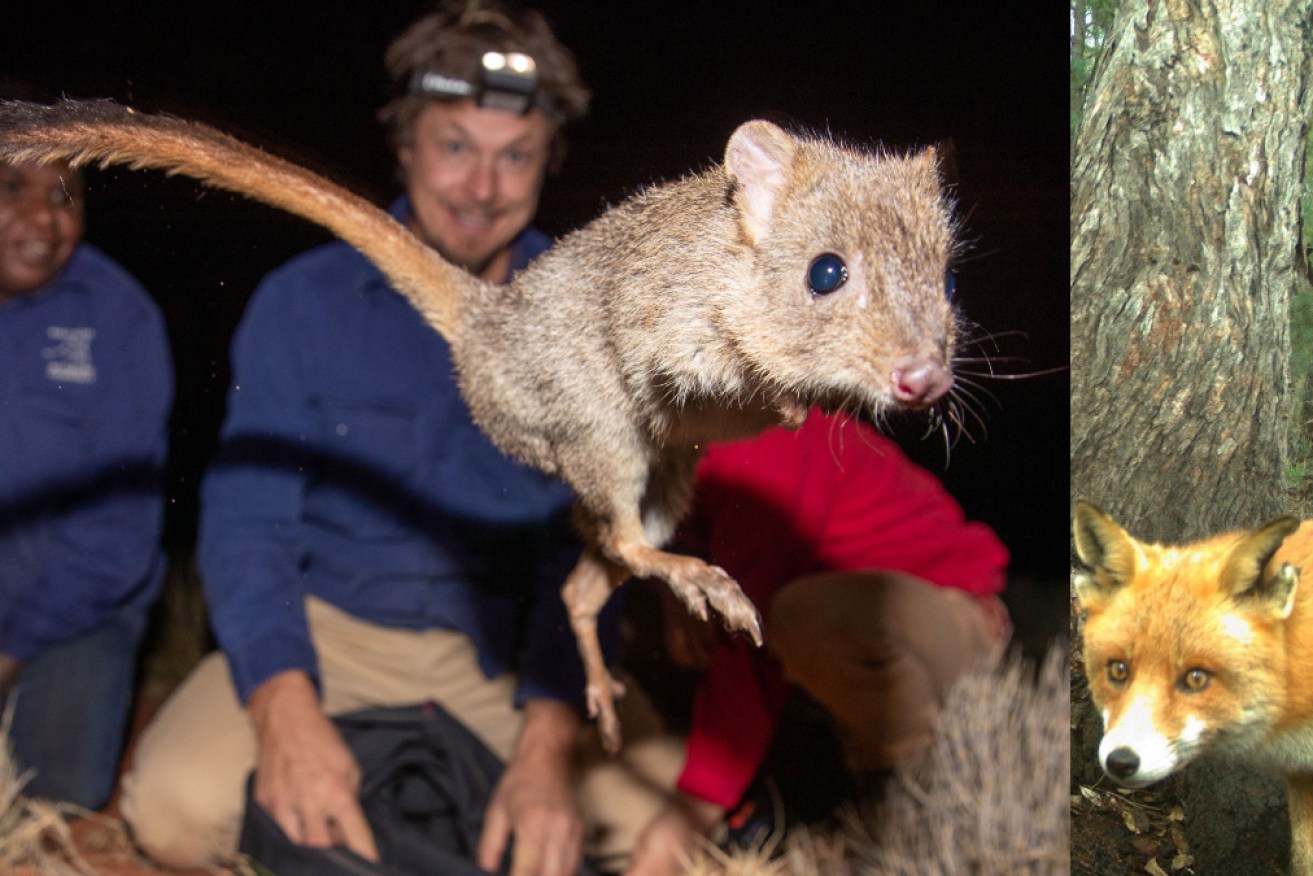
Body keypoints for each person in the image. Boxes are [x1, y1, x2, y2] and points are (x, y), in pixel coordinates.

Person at [118, 3, 637, 874]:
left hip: (507, 658)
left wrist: (547, 746)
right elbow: (250, 521)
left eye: (515, 156)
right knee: (172, 810)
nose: (482, 187)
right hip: (330, 633)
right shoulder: (302, 301)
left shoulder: (596, 325)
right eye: (455, 147)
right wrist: (285, 710)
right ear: (403, 144)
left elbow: (592, 555)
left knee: (643, 826)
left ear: (550, 161)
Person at [617, 409, 1011, 876]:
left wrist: (685, 820)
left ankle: (903, 796)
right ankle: (789, 789)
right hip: (820, 631)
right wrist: (671, 584)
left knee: (795, 617)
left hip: (944, 612)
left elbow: (749, 642)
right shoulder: (679, 445)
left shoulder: (756, 438)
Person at [0, 153, 174, 810]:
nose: (42, 217)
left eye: (64, 194)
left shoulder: (120, 318)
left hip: (78, 603)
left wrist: (10, 652)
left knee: (58, 794)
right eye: (11, 189)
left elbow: (117, 535)